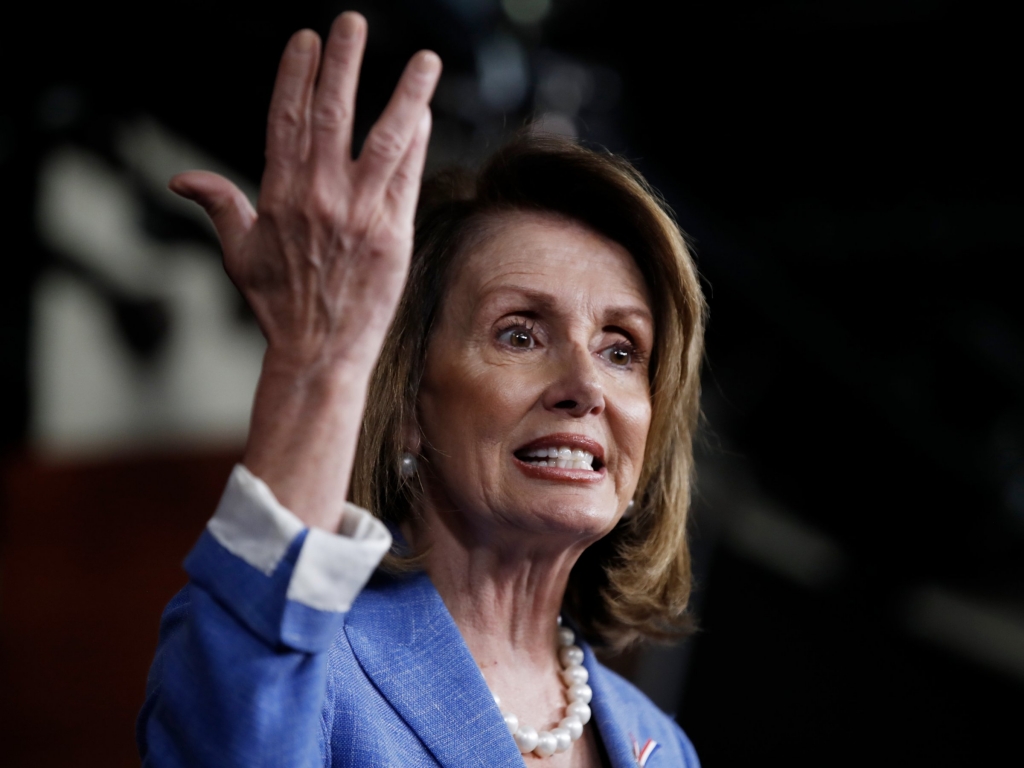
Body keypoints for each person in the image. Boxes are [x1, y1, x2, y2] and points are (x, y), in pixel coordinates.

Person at [137, 11, 705, 767]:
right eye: (519, 333)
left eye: (621, 349)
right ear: (407, 407)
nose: (584, 386)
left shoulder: (660, 746)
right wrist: (322, 358)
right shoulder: (309, 663)